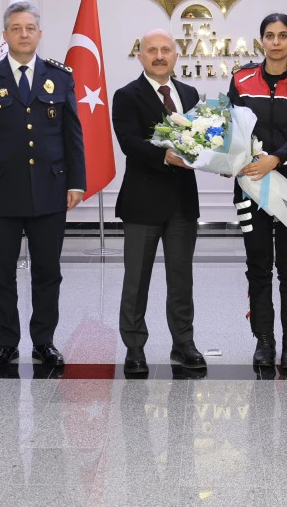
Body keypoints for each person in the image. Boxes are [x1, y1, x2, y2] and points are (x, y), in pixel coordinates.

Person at [0, 1, 85, 370]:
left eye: (30, 28)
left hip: (50, 190)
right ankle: (7, 343)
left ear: (40, 34)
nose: (23, 34)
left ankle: (44, 342)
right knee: (1, 274)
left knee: (48, 273)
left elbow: (72, 134)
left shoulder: (59, 77)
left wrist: (76, 182)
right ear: (5, 35)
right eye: (16, 28)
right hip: (0, 193)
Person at [228, 13, 287, 370]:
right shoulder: (241, 79)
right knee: (258, 265)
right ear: (261, 40)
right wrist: (233, 160)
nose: (276, 42)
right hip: (250, 189)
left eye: (283, 35)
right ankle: (263, 340)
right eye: (270, 35)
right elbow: (232, 130)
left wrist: (275, 159)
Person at [112, 29, 204, 374]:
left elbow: (201, 142)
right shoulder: (126, 95)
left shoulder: (189, 93)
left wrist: (221, 160)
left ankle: (184, 343)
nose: (160, 56)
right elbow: (130, 143)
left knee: (181, 279)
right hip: (142, 201)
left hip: (182, 203)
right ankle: (135, 347)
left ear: (176, 55)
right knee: (136, 280)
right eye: (152, 50)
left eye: (166, 49)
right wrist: (165, 155)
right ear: (141, 56)